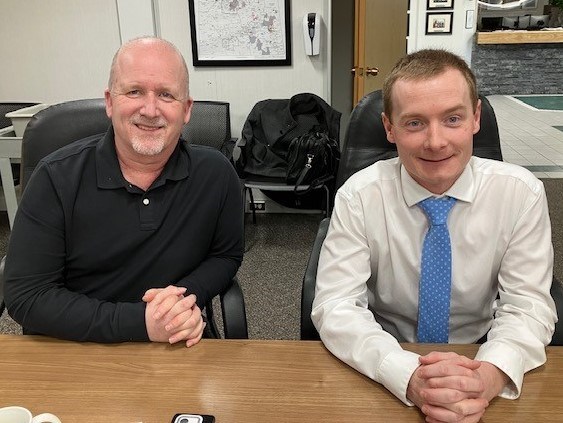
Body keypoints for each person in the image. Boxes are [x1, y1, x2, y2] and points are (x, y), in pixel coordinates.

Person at [311, 49, 557, 423]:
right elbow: (337, 305)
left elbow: (527, 306)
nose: (436, 141)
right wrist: (407, 374)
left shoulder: (521, 193)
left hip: (481, 351)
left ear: (475, 117)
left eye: (453, 118)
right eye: (414, 123)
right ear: (389, 128)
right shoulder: (359, 196)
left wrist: (488, 375)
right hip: (386, 357)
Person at [4, 37, 244, 347]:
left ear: (186, 110)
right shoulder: (56, 177)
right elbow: (27, 296)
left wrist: (181, 302)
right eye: (134, 91)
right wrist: (141, 323)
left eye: (166, 95)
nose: (150, 109)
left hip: (176, 344)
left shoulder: (216, 174)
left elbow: (225, 255)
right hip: (74, 348)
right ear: (109, 101)